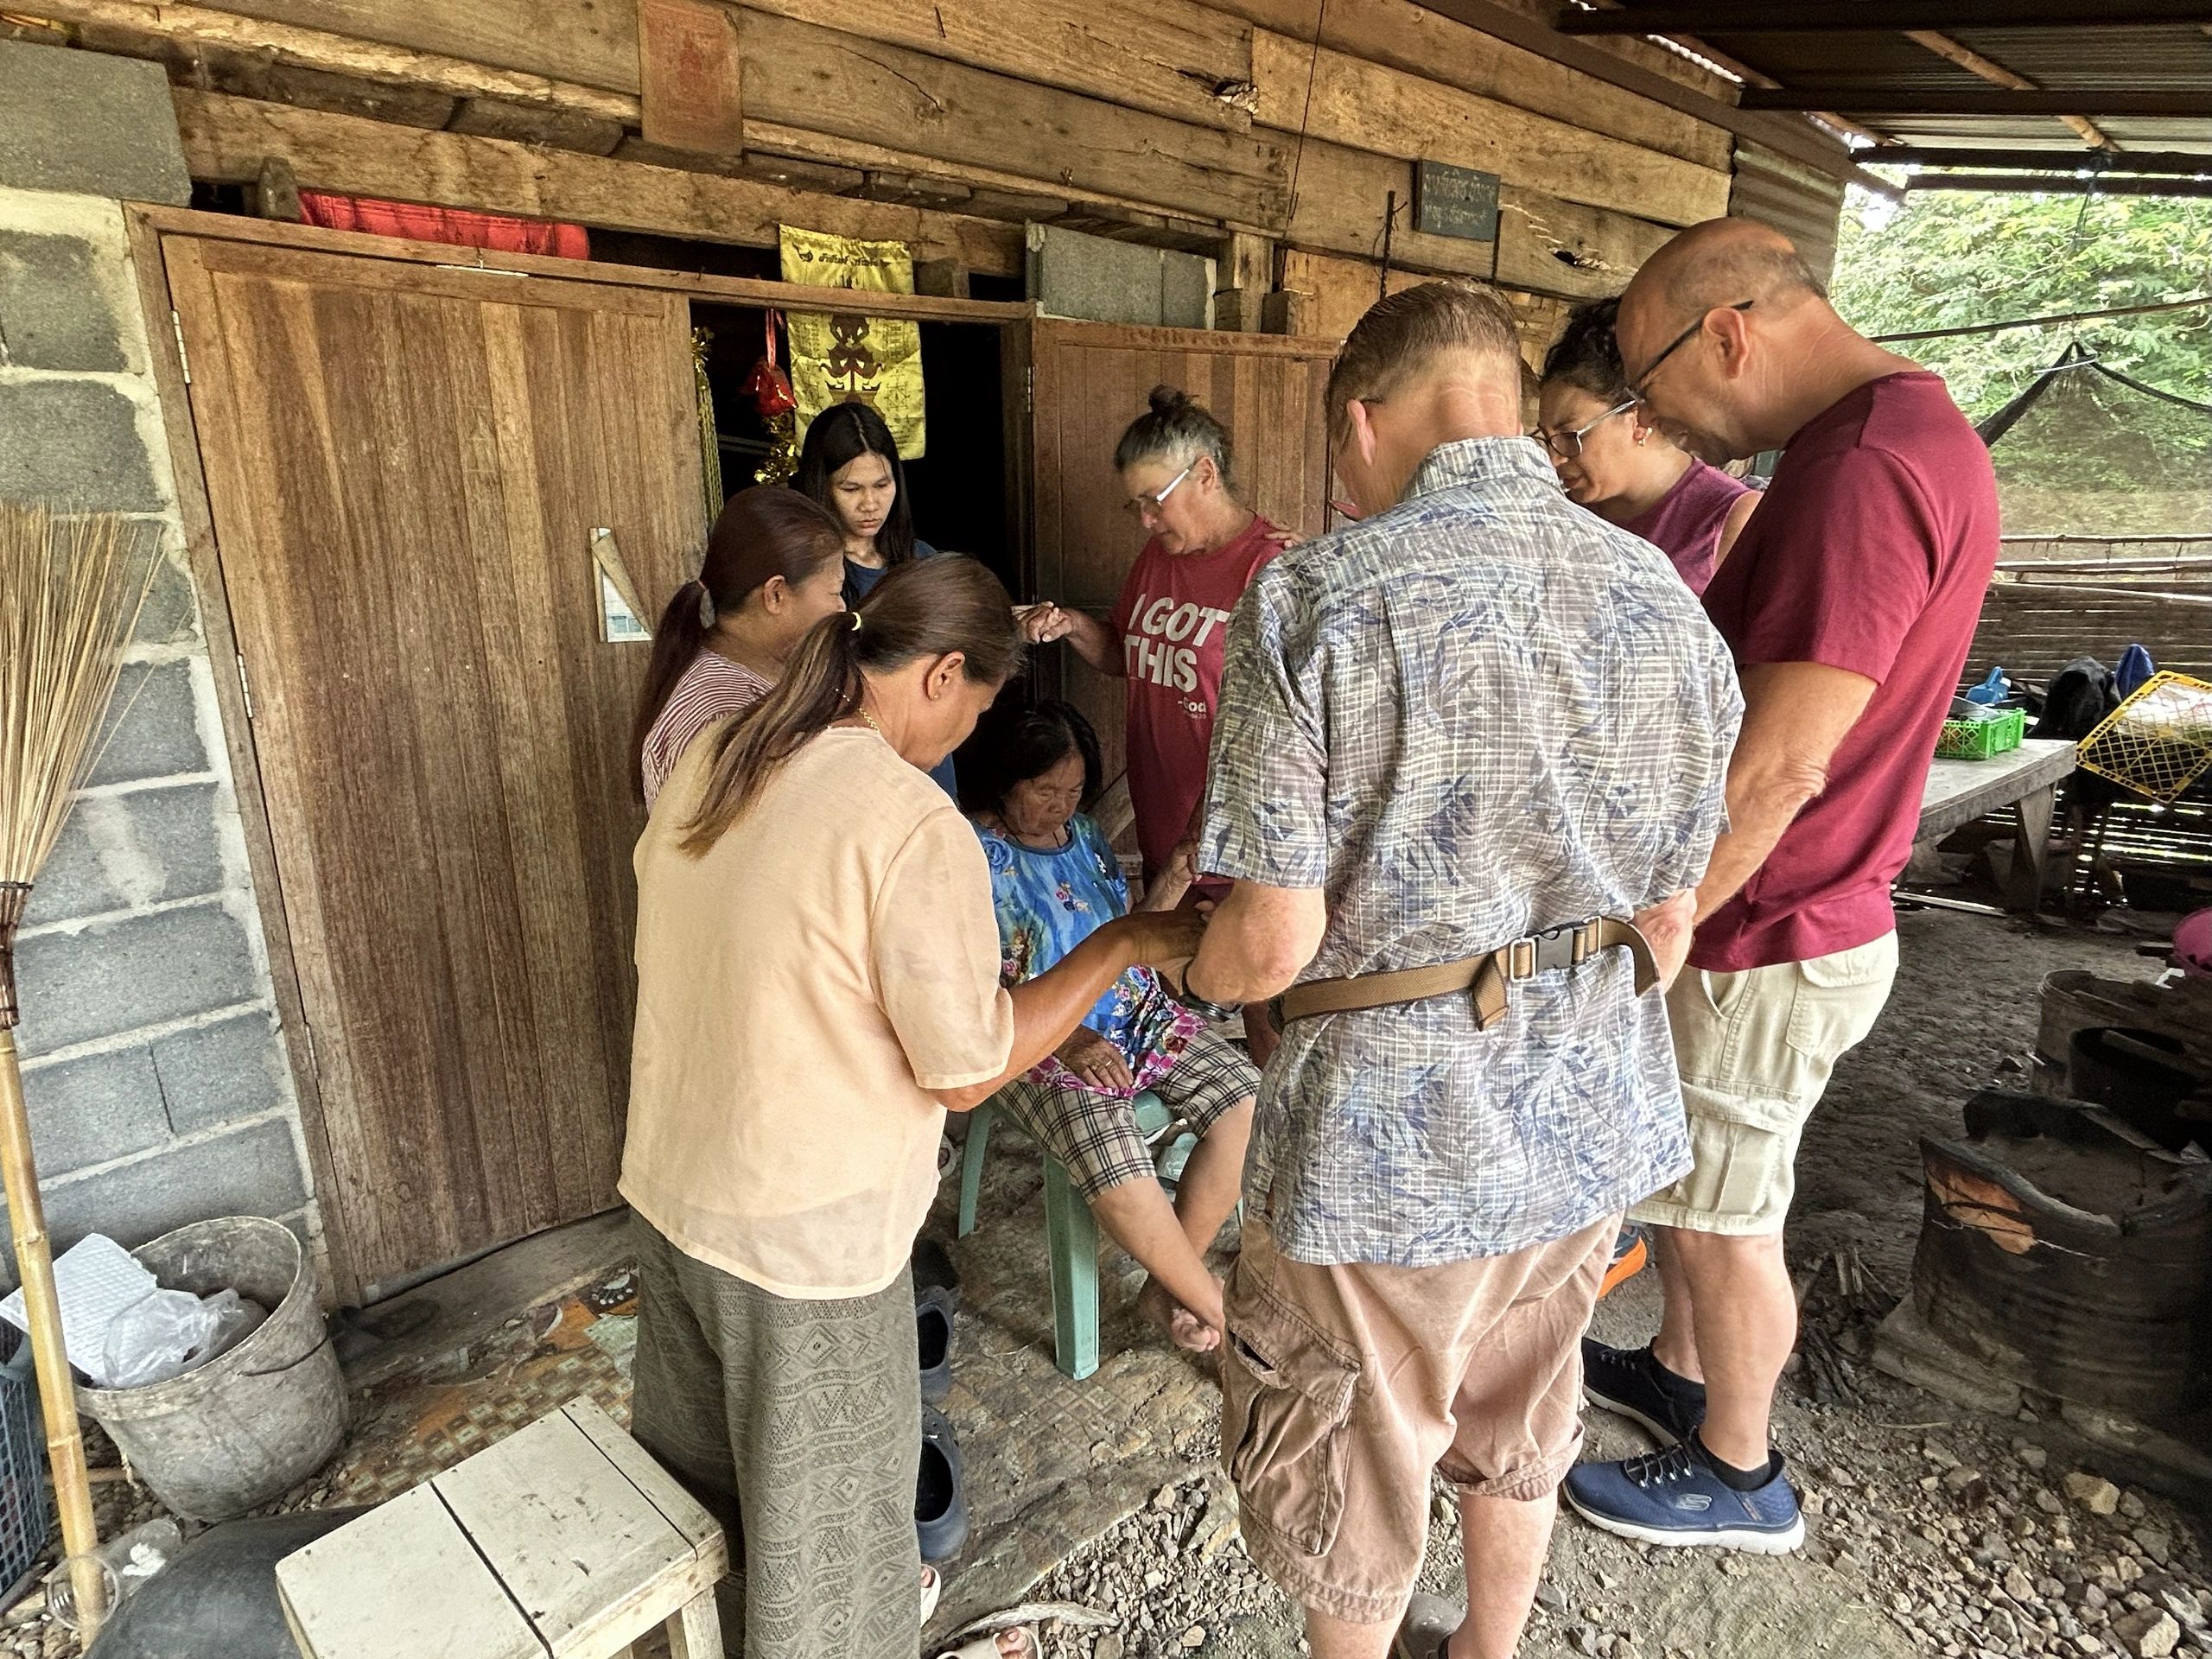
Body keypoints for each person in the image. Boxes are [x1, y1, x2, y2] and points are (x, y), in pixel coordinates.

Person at [1169, 283, 1739, 1659]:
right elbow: (1677, 903)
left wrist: (1183, 973)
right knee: (1525, 1409)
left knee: (1359, 1446)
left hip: (1384, 1144)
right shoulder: (1658, 591)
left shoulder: (1314, 594)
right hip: (1588, 1117)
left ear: (1363, 422)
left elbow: (1273, 943)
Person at [622, 556, 1204, 1659]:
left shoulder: (719, 752)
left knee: (710, 1535)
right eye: (977, 709)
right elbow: (970, 1066)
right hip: (805, 1250)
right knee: (832, 1584)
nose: (963, 741)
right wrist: (1119, 943)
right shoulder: (901, 818)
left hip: (670, 1198)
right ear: (941, 675)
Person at [1564, 219, 2001, 1554]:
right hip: (1799, 910)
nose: (1657, 422)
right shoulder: (1898, 434)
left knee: (1735, 1213)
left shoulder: (1859, 472)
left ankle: (1741, 1475)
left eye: (1644, 389)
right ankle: (1683, 1382)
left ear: (1730, 335)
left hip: (1778, 921)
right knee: (1700, 1200)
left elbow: (1782, 763)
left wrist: (1672, 918)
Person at [959, 699, 1257, 1351]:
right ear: (1003, 779)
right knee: (1116, 1151)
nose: (1062, 806)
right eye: (1044, 791)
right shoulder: (969, 854)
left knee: (1247, 1102)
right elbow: (966, 989)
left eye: (1072, 790)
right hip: (1037, 1041)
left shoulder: (1088, 837)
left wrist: (1179, 869)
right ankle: (1216, 1310)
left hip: (1135, 1010)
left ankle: (1165, 1285)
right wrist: (1070, 1037)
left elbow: (1129, 938)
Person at [1017, 387, 1291, 1056]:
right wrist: (1076, 625)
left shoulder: (1271, 567)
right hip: (1169, 824)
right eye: (1134, 504)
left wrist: (1222, 818)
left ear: (1203, 473)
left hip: (1239, 834)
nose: (1143, 519)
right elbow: (1128, 655)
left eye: (1153, 499)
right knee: (1174, 995)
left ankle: (1266, 1143)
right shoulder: (1159, 561)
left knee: (1268, 1008)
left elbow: (1291, 720)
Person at [633, 485, 848, 808]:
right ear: (775, 595)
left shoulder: (767, 674)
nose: (842, 607)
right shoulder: (721, 717)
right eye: (834, 590)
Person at [1535, 296, 1757, 596]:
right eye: (1546, 438)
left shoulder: (1730, 521)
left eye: (1571, 435)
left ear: (1639, 417)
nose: (1554, 459)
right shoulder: (1562, 510)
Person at [793, 400, 958, 798]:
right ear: (822, 486)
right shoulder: (809, 577)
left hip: (927, 756)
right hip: (850, 761)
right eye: (851, 488)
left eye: (882, 485)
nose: (870, 503)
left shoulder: (922, 560)